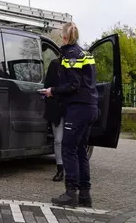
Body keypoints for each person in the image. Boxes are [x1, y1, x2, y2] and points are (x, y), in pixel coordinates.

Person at [41, 23, 99, 207]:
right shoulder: (86, 54)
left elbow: (74, 85)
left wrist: (53, 90)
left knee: (68, 149)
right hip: (91, 106)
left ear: (65, 37)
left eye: (60, 34)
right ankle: (85, 195)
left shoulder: (69, 56)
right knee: (81, 150)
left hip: (78, 108)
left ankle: (70, 193)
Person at [43, 58, 64, 182]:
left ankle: (72, 170)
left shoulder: (78, 62)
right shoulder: (55, 64)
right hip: (57, 107)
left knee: (69, 141)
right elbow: (47, 85)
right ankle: (60, 169)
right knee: (58, 140)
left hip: (72, 107)